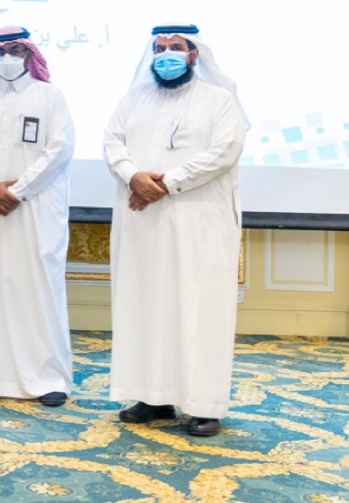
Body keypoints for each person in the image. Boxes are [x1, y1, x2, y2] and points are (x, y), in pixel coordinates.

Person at [103, 23, 246, 437]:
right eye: (160, 48)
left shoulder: (219, 100)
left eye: (175, 47)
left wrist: (166, 183)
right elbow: (112, 143)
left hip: (198, 223)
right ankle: (152, 396)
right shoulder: (134, 99)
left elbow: (224, 152)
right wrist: (133, 176)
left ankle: (205, 405)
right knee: (145, 304)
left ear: (194, 54)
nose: (166, 54)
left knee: (200, 309)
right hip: (143, 222)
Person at [0, 26, 75, 406]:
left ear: (28, 53)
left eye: (16, 49)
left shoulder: (50, 97)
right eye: (0, 51)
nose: (8, 57)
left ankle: (48, 378)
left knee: (36, 289)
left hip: (35, 210)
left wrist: (17, 190)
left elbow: (60, 149)